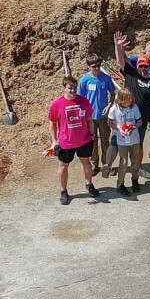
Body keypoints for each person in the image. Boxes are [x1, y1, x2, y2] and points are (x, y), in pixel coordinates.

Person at [49, 76, 97, 206]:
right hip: (66, 142)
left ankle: (89, 184)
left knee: (86, 162)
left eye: (75, 88)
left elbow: (89, 120)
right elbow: (52, 124)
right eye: (70, 88)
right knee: (63, 166)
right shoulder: (56, 104)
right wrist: (54, 141)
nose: (73, 91)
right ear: (64, 88)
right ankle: (63, 191)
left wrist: (92, 135)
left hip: (84, 139)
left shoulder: (83, 101)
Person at [114, 32, 150, 160]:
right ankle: (121, 164)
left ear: (149, 66)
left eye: (145, 66)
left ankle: (138, 167)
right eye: (140, 66)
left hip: (141, 117)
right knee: (121, 141)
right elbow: (120, 59)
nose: (142, 68)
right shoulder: (131, 73)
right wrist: (118, 46)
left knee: (138, 143)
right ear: (137, 66)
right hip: (124, 114)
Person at [77, 57, 114, 177]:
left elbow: (112, 94)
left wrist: (109, 106)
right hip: (90, 118)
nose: (97, 68)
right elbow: (79, 99)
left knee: (105, 141)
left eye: (98, 65)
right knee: (92, 142)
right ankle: (94, 164)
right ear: (88, 66)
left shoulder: (106, 78)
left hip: (103, 116)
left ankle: (107, 164)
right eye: (94, 66)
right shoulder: (84, 80)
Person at [107, 87, 142, 195]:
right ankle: (120, 184)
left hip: (134, 139)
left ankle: (135, 180)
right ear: (121, 99)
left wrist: (134, 127)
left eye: (131, 98)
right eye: (127, 99)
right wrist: (118, 128)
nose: (130, 101)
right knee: (123, 162)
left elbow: (140, 121)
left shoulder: (134, 107)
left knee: (135, 162)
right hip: (122, 140)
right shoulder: (114, 109)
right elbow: (110, 122)